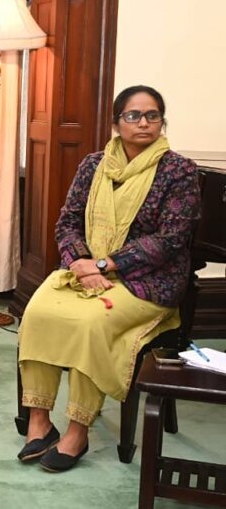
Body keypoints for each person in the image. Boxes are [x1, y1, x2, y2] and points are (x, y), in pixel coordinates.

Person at [16, 85, 201, 472]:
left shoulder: (178, 170)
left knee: (91, 322)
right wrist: (81, 263)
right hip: (88, 270)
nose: (143, 123)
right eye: (133, 115)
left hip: (148, 283)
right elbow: (68, 221)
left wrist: (105, 265)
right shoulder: (93, 165)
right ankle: (39, 421)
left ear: (162, 122)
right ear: (117, 123)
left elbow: (170, 240)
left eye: (152, 115)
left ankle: (77, 430)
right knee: (38, 313)